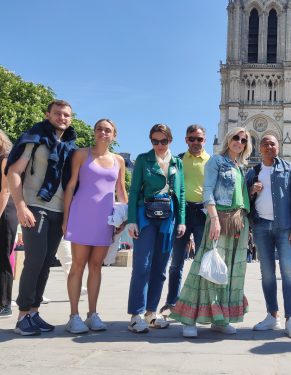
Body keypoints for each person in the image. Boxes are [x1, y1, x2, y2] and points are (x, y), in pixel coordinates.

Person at [170, 127, 252, 338]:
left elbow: (239, 196)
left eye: (243, 140)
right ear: (228, 139)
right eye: (236, 137)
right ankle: (190, 319)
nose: (239, 142)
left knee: (229, 273)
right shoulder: (216, 161)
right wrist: (214, 219)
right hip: (219, 220)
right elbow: (208, 191)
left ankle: (220, 319)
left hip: (237, 223)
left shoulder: (239, 165)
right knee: (204, 269)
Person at [6, 100, 77, 335]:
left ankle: (34, 312)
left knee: (46, 263)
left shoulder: (68, 144)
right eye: (57, 113)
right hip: (35, 205)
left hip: (58, 210)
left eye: (67, 115)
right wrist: (20, 206)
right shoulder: (35, 137)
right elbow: (14, 172)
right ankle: (22, 316)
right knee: (35, 260)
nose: (62, 118)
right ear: (48, 115)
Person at [62, 119, 128, 334]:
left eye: (107, 130)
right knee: (78, 265)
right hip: (81, 214)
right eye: (99, 129)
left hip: (105, 217)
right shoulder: (81, 154)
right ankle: (74, 316)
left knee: (97, 266)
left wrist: (125, 218)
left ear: (114, 135)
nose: (103, 132)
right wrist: (66, 217)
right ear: (94, 132)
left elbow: (121, 190)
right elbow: (71, 185)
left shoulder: (118, 160)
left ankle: (92, 314)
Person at [127, 124, 186, 333]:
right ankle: (136, 314)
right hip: (145, 215)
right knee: (142, 265)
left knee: (161, 268)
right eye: (155, 141)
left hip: (168, 218)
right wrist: (131, 219)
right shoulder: (144, 159)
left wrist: (181, 220)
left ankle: (151, 312)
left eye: (163, 141)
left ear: (170, 139)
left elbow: (180, 193)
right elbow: (134, 191)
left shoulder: (177, 162)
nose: (159, 145)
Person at [246, 134, 291, 339]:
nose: (269, 147)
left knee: (289, 272)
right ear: (259, 148)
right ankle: (272, 316)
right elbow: (243, 198)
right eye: (265, 144)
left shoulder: (290, 169)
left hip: (286, 228)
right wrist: (251, 190)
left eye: (272, 144)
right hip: (261, 227)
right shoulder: (253, 172)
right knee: (267, 273)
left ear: (278, 147)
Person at [159, 124, 210, 316]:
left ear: (204, 140)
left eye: (199, 139)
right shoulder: (177, 160)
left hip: (202, 212)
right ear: (186, 139)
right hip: (181, 212)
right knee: (176, 263)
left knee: (202, 262)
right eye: (192, 138)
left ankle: (199, 304)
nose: (196, 142)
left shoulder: (212, 161)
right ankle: (172, 302)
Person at [0, 130, 17, 318]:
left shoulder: (5, 158)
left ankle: (5, 304)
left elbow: (5, 191)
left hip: (6, 210)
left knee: (3, 256)